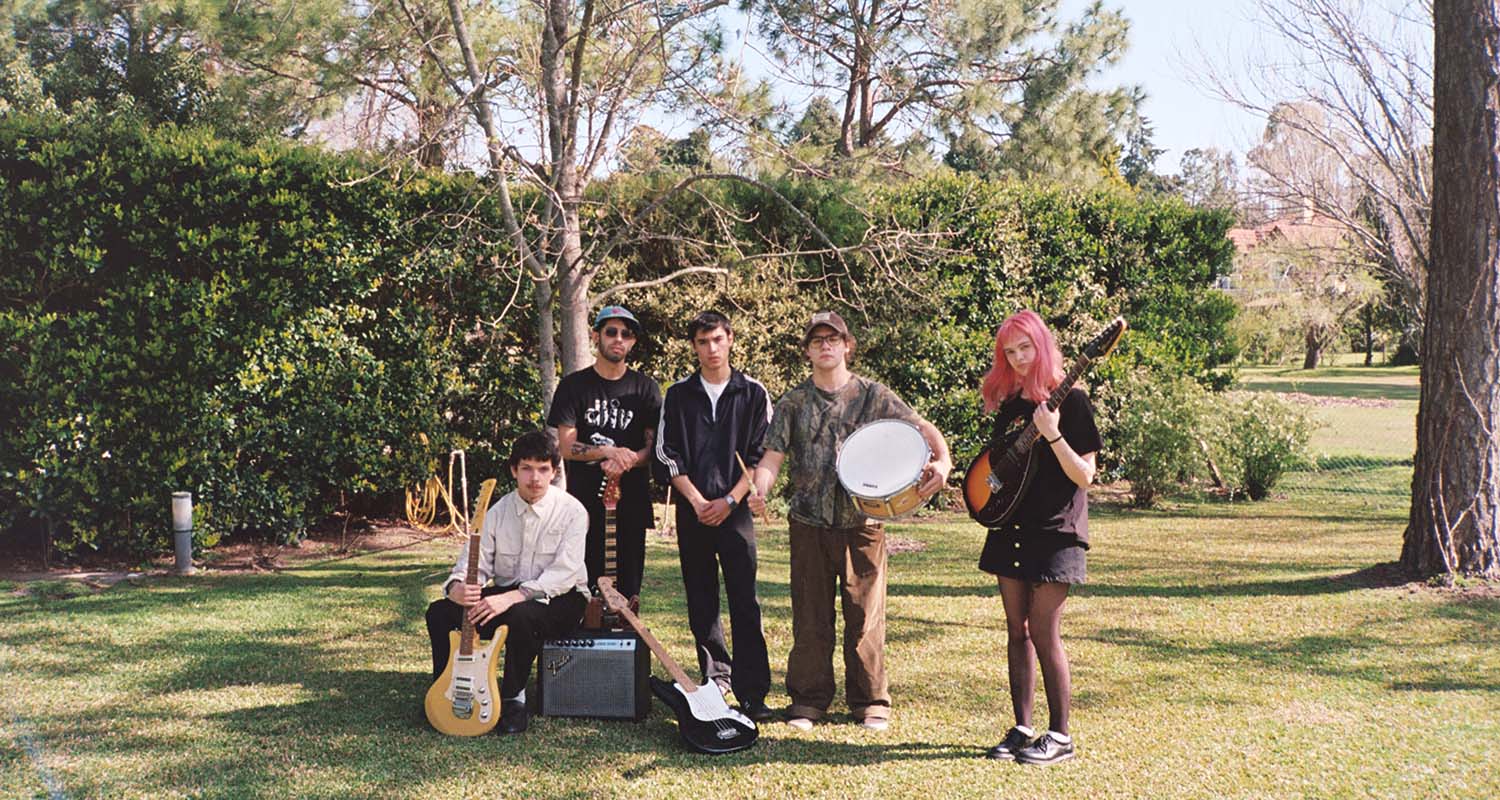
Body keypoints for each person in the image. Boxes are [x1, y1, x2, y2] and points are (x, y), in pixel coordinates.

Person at [748, 310, 951, 732]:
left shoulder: (874, 395)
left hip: (864, 522)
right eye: (817, 340)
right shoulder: (792, 402)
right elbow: (771, 458)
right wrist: (759, 488)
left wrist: (944, 462)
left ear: (847, 346)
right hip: (808, 523)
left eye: (833, 339)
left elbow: (921, 428)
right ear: (807, 350)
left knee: (865, 616)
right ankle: (807, 701)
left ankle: (870, 701)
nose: (825, 345)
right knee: (810, 616)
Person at [975, 310, 1101, 766]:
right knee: (1017, 630)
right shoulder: (1011, 407)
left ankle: (1061, 736)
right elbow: (1000, 469)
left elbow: (1085, 475)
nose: (1018, 358)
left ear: (1043, 345)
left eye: (1025, 347)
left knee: (1045, 631)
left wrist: (1053, 436)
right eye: (1010, 352)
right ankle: (1023, 728)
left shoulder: (1074, 400)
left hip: (1056, 532)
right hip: (1011, 529)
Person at [425, 430, 590, 735]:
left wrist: (512, 597)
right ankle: (447, 688)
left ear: (554, 472)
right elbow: (474, 562)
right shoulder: (497, 512)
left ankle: (514, 698)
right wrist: (457, 588)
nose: (535, 478)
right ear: (514, 470)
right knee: (440, 612)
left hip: (562, 599)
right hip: (508, 595)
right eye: (526, 468)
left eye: (543, 469)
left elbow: (564, 573)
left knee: (521, 614)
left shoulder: (573, 512)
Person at [655, 311, 775, 722]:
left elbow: (761, 454)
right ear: (694, 346)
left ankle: (752, 691)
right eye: (703, 342)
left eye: (718, 340)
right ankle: (715, 678)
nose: (711, 349)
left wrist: (729, 500)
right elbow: (666, 454)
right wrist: (696, 501)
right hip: (694, 512)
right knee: (701, 600)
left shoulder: (753, 393)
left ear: (730, 340)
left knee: (745, 600)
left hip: (735, 513)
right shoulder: (677, 395)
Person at [546, 305, 662, 601]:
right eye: (611, 332)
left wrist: (628, 461)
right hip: (583, 504)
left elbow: (653, 448)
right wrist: (609, 451)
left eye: (626, 334)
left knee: (629, 590)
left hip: (632, 502)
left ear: (633, 341)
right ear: (596, 336)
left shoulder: (646, 388)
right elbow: (567, 447)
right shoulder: (573, 386)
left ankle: (625, 630)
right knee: (582, 587)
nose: (618, 339)